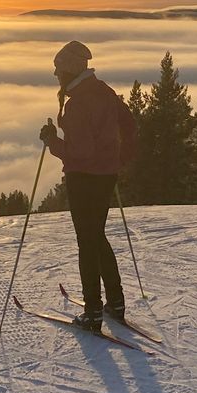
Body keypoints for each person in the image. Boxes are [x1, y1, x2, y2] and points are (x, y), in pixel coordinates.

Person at [39, 41, 138, 330]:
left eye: (58, 71)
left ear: (69, 71)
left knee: (87, 241)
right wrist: (118, 160)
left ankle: (93, 312)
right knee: (97, 237)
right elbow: (130, 125)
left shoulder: (78, 103)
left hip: (84, 179)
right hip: (106, 176)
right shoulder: (103, 92)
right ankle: (115, 303)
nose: (57, 76)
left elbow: (80, 153)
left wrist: (51, 142)